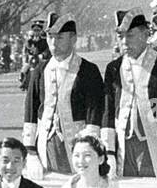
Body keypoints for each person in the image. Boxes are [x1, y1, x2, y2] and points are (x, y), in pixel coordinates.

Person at [99, 9, 157, 184]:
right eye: (121, 36)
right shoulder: (113, 69)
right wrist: (109, 152)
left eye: (130, 35)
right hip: (123, 148)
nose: (124, 42)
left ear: (145, 34)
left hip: (155, 146)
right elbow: (108, 114)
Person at [22, 12, 104, 178]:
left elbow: (95, 113)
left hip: (77, 148)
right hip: (46, 146)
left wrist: (88, 151)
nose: (53, 43)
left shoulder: (88, 70)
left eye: (59, 38)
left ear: (73, 39)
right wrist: (30, 152)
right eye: (50, 37)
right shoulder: (40, 70)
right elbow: (30, 111)